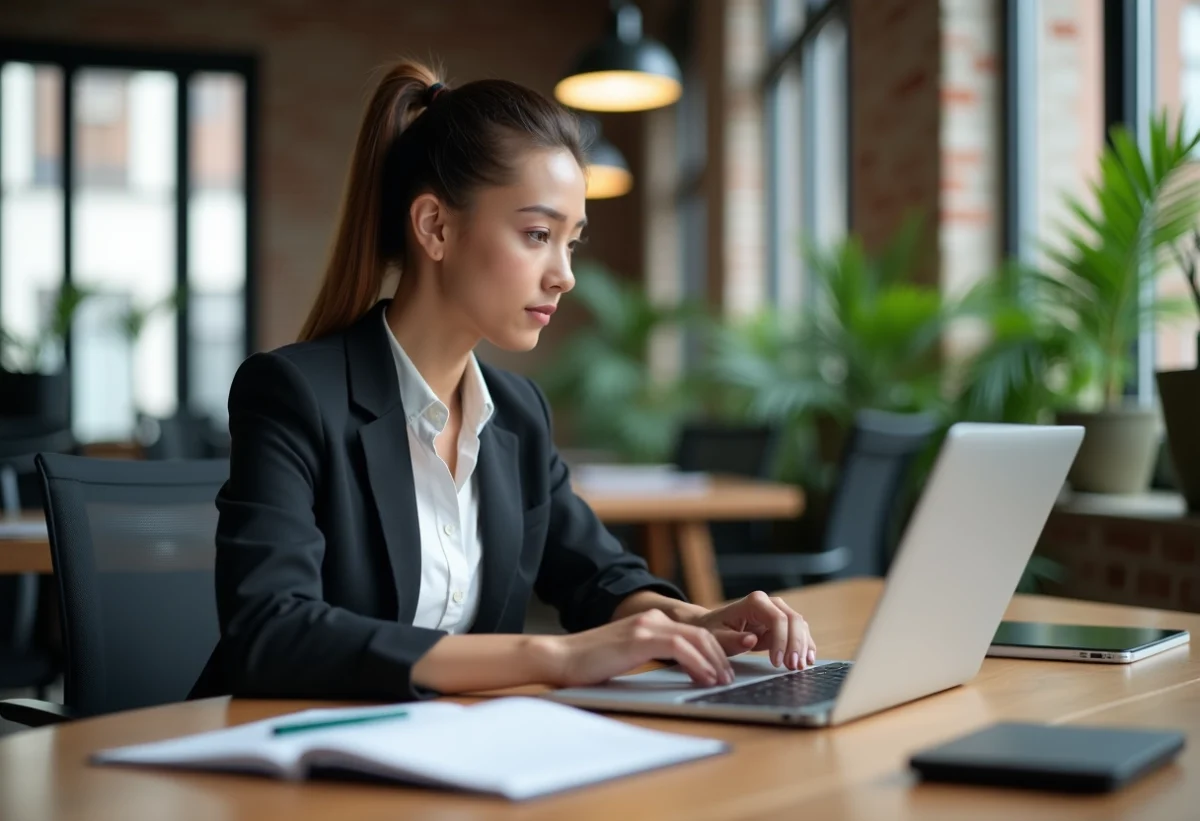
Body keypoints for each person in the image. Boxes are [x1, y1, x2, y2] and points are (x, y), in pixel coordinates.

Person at [191, 59, 815, 702]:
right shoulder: (292, 394)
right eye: (538, 234)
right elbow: (270, 631)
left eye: (571, 242)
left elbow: (597, 576)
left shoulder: (516, 412)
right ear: (435, 226)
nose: (564, 275)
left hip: (454, 759)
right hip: (284, 764)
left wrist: (694, 622)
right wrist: (554, 656)